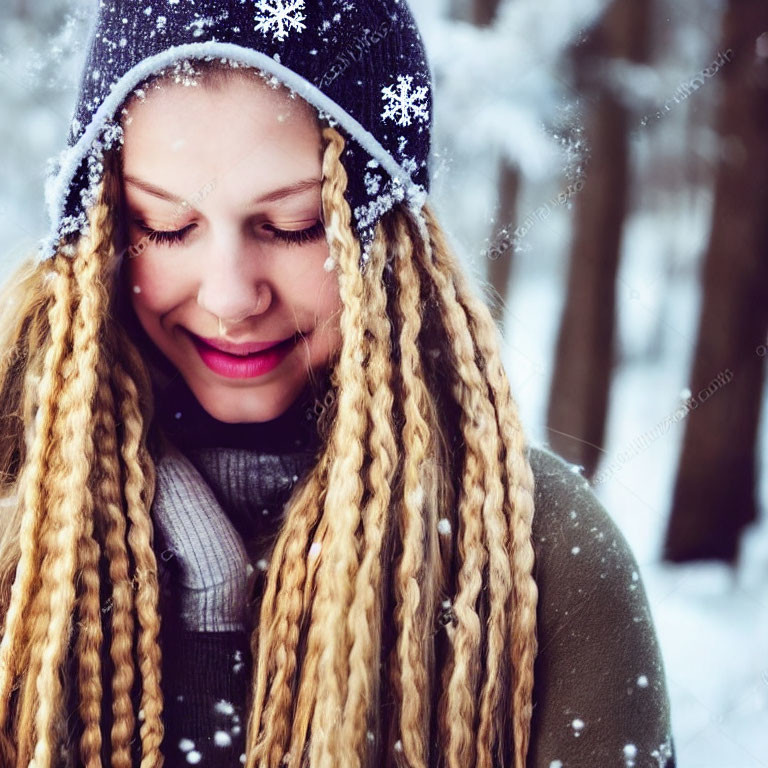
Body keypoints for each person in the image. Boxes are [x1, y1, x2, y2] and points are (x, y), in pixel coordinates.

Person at [0, 1, 676, 766]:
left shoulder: (536, 557)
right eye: (165, 224)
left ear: (383, 234)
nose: (229, 296)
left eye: (293, 225)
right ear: (98, 229)